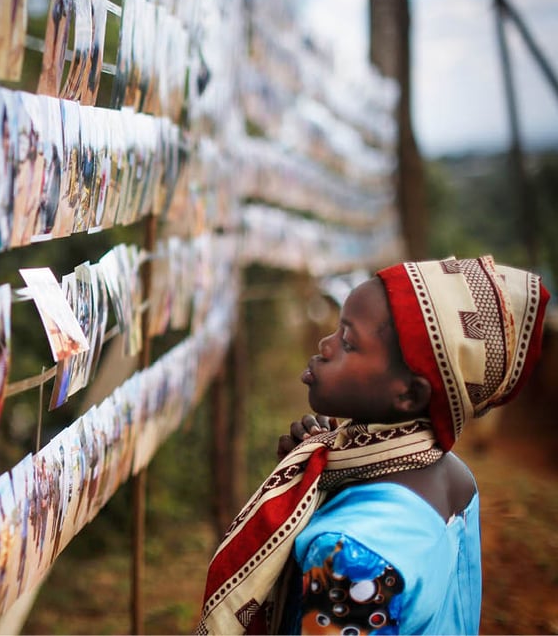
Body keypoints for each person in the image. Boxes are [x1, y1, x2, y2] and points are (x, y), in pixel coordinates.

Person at [198, 256, 549, 635]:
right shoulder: (454, 477)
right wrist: (316, 486)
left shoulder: (350, 557)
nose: (325, 345)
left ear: (409, 395)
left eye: (348, 342)